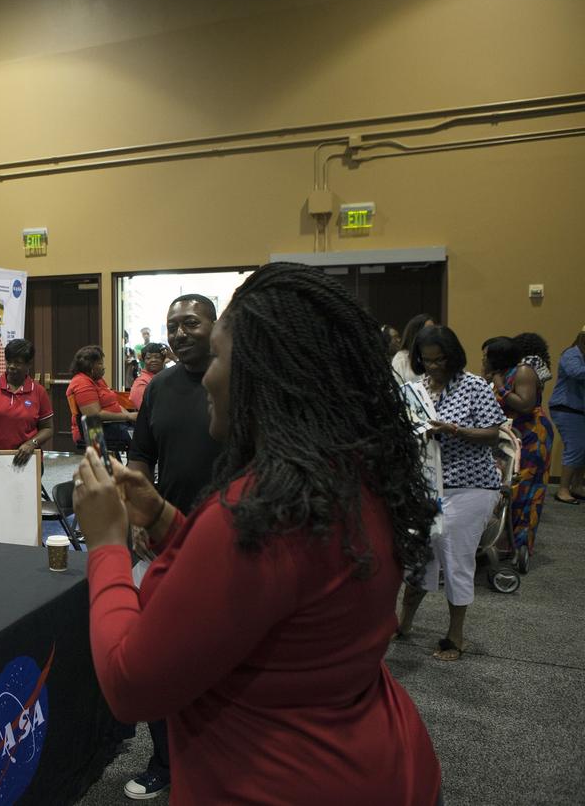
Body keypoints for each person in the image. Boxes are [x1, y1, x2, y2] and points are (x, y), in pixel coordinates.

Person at [73, 263, 441, 804]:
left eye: (218, 357)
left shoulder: (259, 514)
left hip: (281, 779)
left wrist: (107, 544)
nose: (205, 379)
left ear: (262, 372)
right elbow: (264, 594)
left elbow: (131, 686)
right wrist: (167, 520)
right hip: (383, 759)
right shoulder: (342, 478)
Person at [119, 293, 224, 801]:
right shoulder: (159, 388)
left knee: (217, 664)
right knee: (158, 661)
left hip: (228, 545)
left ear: (216, 325)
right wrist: (143, 506)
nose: (180, 333)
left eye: (191, 323)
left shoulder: (239, 384)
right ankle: (163, 759)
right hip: (164, 543)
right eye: (172, 326)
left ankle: (213, 758)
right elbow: (141, 454)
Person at [397, 325, 504, 662]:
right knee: (418, 553)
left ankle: (455, 636)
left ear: (453, 357)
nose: (433, 367)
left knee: (455, 554)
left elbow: (492, 435)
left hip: (472, 485)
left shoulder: (473, 386)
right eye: (426, 361)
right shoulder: (416, 390)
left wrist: (453, 429)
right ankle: (404, 623)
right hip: (430, 485)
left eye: (439, 360)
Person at [484, 336, 554, 568]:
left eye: (487, 355)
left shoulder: (522, 371)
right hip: (512, 437)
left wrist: (501, 387)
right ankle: (504, 541)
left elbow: (525, 404)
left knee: (527, 492)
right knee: (508, 489)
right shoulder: (500, 373)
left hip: (532, 436)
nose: (483, 359)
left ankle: (521, 544)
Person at [0, 338, 53, 467]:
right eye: (9, 361)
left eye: (17, 363)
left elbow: (48, 428)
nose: (11, 366)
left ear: (28, 365)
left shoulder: (38, 392)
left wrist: (31, 443)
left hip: (26, 462)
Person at [65, 345, 135, 450]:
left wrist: (130, 415)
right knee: (139, 439)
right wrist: (127, 417)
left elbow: (114, 404)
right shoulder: (81, 383)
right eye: (100, 363)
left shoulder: (98, 380)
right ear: (90, 366)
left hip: (111, 425)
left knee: (142, 432)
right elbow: (94, 415)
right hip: (94, 431)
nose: (103, 367)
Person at [550, 326, 585, 503]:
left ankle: (577, 486)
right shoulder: (571, 354)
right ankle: (562, 489)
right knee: (575, 448)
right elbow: (577, 373)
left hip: (579, 409)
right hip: (566, 408)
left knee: (582, 450)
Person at [393, 313, 435, 386]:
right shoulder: (401, 359)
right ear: (416, 333)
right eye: (428, 330)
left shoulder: (435, 355)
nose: (432, 334)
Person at [128, 342, 171, 409]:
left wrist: (174, 358)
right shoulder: (141, 382)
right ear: (143, 360)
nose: (153, 360)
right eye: (148, 358)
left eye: (157, 357)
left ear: (163, 360)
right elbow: (147, 410)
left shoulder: (167, 376)